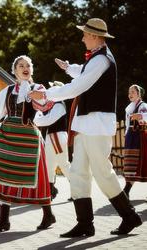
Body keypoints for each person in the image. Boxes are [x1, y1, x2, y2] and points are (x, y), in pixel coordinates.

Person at [29, 18, 142, 236]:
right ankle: (85, 224)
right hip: (86, 125)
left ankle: (130, 217)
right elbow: (84, 72)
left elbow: (81, 84)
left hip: (96, 125)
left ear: (95, 37)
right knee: (79, 172)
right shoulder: (97, 59)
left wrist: (45, 94)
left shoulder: (102, 60)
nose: (82, 38)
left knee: (103, 173)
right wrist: (69, 67)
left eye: (84, 34)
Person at [0, 55, 55, 233]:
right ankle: (4, 220)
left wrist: (33, 94)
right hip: (7, 135)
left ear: (31, 70)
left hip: (29, 137)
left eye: (28, 65)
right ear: (14, 71)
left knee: (38, 178)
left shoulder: (37, 88)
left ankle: (48, 214)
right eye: (20, 65)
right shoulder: (8, 90)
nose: (24, 68)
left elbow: (44, 104)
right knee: (3, 174)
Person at [33, 81, 71, 201]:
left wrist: (36, 117)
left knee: (64, 165)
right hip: (53, 137)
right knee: (49, 165)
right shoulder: (54, 105)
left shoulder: (59, 105)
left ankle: (78, 190)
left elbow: (47, 121)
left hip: (57, 137)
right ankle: (50, 192)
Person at [123, 84, 147, 198]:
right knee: (130, 164)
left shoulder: (143, 106)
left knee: (139, 164)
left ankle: (126, 190)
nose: (130, 94)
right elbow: (128, 125)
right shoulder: (130, 108)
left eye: (133, 92)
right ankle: (126, 190)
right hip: (131, 138)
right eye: (129, 92)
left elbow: (145, 117)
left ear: (139, 94)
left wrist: (141, 116)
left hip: (140, 139)